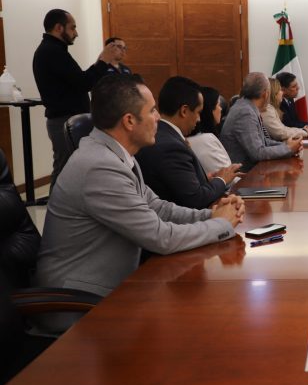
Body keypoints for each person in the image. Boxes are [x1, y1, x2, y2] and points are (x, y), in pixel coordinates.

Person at [33, 74, 244, 334]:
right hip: (78, 306)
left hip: (114, 292)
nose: (158, 118)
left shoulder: (118, 156)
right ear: (129, 121)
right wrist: (221, 224)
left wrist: (211, 214)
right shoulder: (99, 167)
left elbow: (159, 208)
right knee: (204, 324)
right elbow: (160, 237)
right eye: (152, 110)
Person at [31, 9, 116, 189]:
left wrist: (100, 62)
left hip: (66, 119)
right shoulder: (52, 52)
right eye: (72, 28)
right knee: (64, 170)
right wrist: (103, 62)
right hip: (63, 121)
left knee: (72, 169)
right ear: (59, 27)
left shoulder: (54, 50)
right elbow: (83, 83)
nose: (76, 33)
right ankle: (56, 207)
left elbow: (77, 80)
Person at [136, 76, 241, 209]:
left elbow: (179, 186)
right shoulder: (170, 146)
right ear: (184, 111)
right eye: (198, 112)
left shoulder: (164, 135)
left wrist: (203, 179)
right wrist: (222, 180)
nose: (199, 119)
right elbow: (196, 199)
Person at [221, 72, 302, 170]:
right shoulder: (245, 112)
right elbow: (257, 153)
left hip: (256, 170)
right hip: (245, 174)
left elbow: (263, 141)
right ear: (265, 94)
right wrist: (288, 149)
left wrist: (287, 146)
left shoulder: (247, 106)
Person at [187, 86, 234, 174]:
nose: (221, 108)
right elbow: (227, 175)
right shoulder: (205, 139)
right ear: (210, 109)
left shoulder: (202, 137)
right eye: (218, 105)